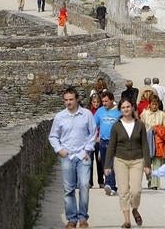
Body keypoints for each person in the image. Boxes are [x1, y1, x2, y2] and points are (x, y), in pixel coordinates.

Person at [48, 87, 96, 229]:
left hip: (83, 156)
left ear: (77, 100)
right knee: (68, 189)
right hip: (67, 156)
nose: (68, 102)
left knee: (84, 186)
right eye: (66, 100)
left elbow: (93, 133)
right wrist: (59, 150)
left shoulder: (86, 114)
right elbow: (53, 136)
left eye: (71, 99)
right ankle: (71, 219)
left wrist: (87, 150)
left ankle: (83, 218)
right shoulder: (60, 117)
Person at [104, 98, 151, 228]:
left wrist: (147, 164)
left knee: (135, 191)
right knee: (123, 191)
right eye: (123, 107)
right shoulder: (116, 126)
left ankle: (135, 208)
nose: (126, 109)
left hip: (137, 160)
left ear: (132, 108)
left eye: (128, 107)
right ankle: (127, 220)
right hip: (120, 160)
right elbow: (111, 147)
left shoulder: (140, 124)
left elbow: (145, 145)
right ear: (120, 109)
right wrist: (107, 165)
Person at [140, 95, 165, 190]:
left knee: (157, 162)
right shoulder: (144, 114)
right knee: (147, 161)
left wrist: (157, 128)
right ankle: (149, 180)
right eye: (153, 104)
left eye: (156, 104)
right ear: (149, 104)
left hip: (158, 141)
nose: (154, 106)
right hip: (146, 140)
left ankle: (154, 184)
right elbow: (141, 126)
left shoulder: (162, 114)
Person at [95, 91, 121, 197]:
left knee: (111, 164)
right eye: (103, 101)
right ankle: (110, 185)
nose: (104, 103)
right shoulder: (100, 111)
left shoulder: (119, 112)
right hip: (103, 142)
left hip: (115, 142)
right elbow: (93, 124)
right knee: (105, 164)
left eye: (106, 101)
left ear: (112, 100)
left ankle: (110, 184)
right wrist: (95, 136)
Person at [87, 93, 104, 189]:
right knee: (89, 161)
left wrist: (100, 136)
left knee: (100, 161)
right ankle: (89, 182)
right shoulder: (88, 112)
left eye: (98, 102)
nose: (96, 104)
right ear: (91, 102)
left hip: (99, 139)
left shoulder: (102, 112)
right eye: (94, 102)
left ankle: (101, 181)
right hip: (90, 139)